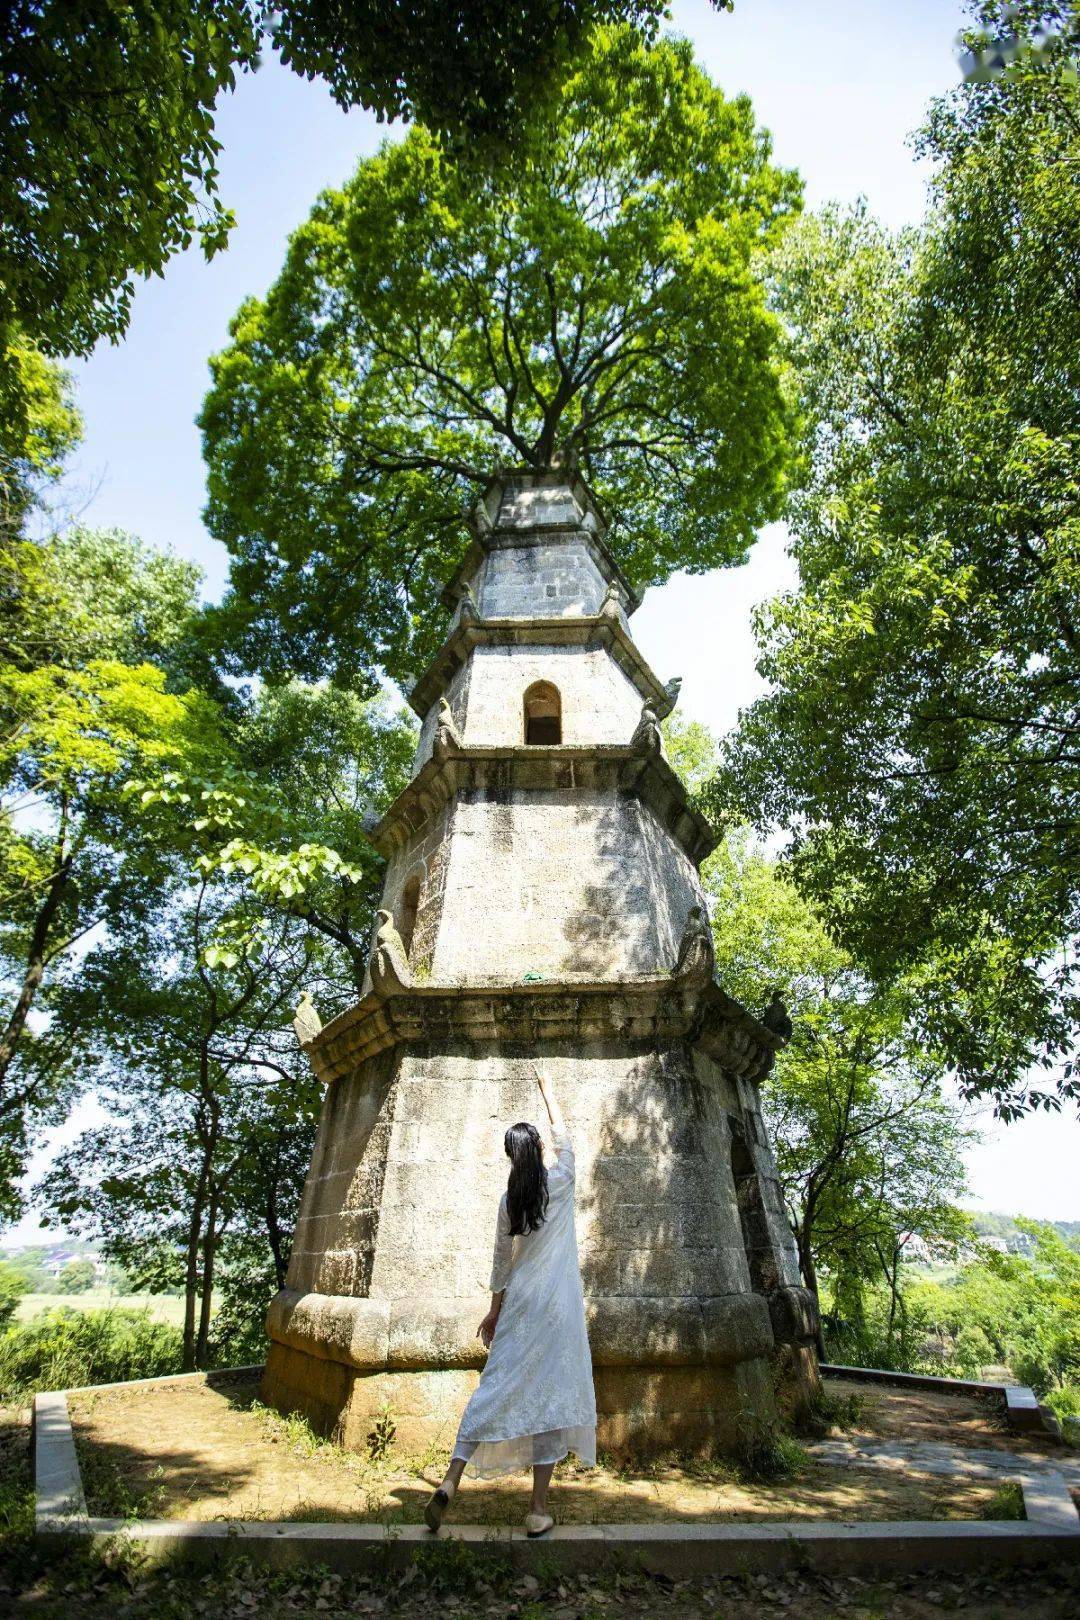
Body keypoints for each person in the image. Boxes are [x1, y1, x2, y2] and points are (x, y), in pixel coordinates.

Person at [424, 1071, 596, 1537]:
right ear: (538, 1150)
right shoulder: (560, 1182)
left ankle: (450, 1479)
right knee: (550, 1399)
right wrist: (548, 1090)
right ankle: (538, 1508)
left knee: (493, 1387)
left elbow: (501, 1265)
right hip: (558, 1308)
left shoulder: (508, 1201)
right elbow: (567, 1140)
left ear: (509, 1158)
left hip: (520, 1304)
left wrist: (494, 1311)